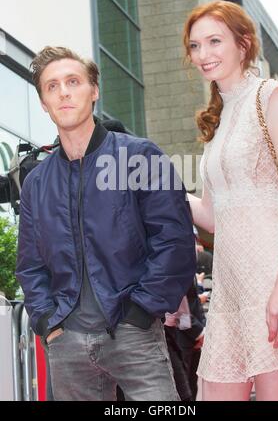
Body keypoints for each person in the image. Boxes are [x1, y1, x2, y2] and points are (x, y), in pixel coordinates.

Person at [16, 46, 196, 401]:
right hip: (66, 342)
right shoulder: (37, 182)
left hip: (134, 332)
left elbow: (173, 242)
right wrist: (47, 321)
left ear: (94, 90)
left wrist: (142, 310)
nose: (63, 92)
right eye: (52, 87)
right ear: (43, 102)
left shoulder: (140, 156)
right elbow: (30, 264)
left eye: (73, 81)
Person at [184, 0, 278, 401]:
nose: (203, 54)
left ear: (243, 44)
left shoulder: (272, 97)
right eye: (195, 46)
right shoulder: (216, 124)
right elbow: (213, 217)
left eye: (214, 41)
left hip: (274, 285)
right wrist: (161, 190)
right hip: (229, 294)